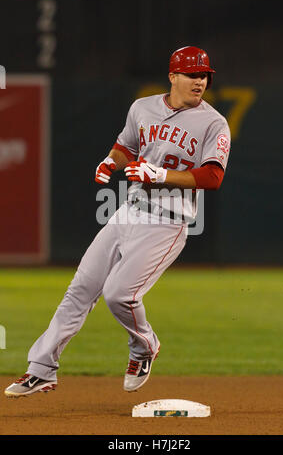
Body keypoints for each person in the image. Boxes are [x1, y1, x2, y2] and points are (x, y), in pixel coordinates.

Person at [4, 46, 231, 398]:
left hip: (167, 222)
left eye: (204, 75)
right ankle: (42, 369)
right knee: (80, 289)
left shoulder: (213, 122)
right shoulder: (142, 107)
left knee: (119, 295)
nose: (199, 81)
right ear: (172, 76)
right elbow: (125, 146)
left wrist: (160, 174)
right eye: (191, 74)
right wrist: (110, 161)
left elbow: (213, 177)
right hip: (128, 211)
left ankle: (145, 346)